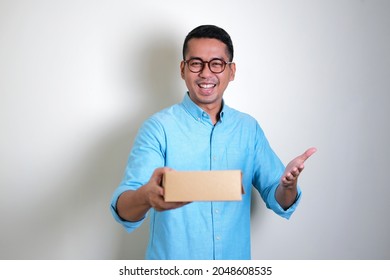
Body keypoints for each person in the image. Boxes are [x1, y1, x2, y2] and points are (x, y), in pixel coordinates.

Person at [110, 24, 316, 260]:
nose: (206, 74)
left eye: (216, 64)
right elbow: (124, 207)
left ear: (231, 71)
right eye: (196, 63)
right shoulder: (158, 128)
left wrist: (288, 186)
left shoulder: (248, 129)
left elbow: (279, 198)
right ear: (182, 69)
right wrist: (146, 196)